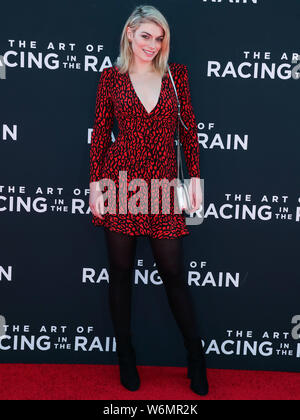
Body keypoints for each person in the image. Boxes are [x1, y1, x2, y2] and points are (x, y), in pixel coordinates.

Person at [89, 5, 208, 396]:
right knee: (120, 273)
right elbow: (101, 134)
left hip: (162, 187)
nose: (152, 45)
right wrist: (95, 186)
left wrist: (196, 180)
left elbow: (189, 133)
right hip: (120, 183)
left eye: (159, 39)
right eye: (145, 36)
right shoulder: (110, 78)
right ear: (129, 34)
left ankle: (196, 357)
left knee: (173, 274)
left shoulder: (177, 77)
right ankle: (126, 356)